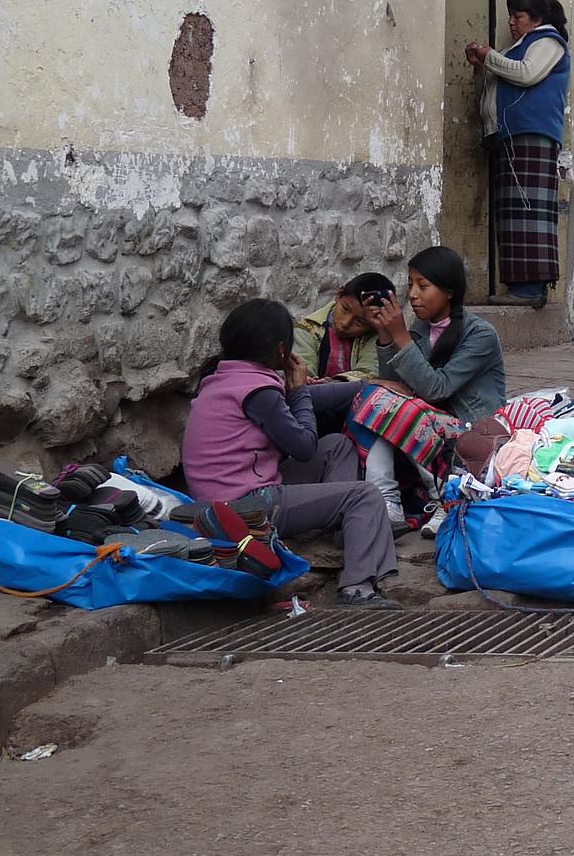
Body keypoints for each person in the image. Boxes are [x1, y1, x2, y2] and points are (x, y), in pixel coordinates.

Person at [181, 299, 400, 608]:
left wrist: (368, 386)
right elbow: (303, 445)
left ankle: (346, 528)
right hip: (248, 507)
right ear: (282, 350)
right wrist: (298, 393)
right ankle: (358, 588)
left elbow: (313, 419)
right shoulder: (258, 391)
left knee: (336, 445)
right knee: (364, 495)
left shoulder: (225, 379)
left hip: (225, 499)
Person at [466, 0, 572, 306]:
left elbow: (526, 74)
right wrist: (482, 65)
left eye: (519, 16)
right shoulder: (518, 47)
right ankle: (519, 286)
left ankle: (530, 289)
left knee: (528, 210)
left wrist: (489, 56)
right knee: (513, 212)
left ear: (537, 19)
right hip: (512, 137)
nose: (512, 22)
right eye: (511, 16)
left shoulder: (548, 42)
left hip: (532, 134)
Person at [366, 246, 507, 423]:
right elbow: (395, 387)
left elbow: (437, 389)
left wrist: (401, 335)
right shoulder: (420, 330)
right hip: (433, 421)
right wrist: (385, 334)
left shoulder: (480, 335)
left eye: (423, 286)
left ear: (449, 292)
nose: (413, 295)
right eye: (410, 285)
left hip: (474, 428)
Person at [294, 273, 393, 383]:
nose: (345, 324)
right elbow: (300, 372)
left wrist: (334, 384)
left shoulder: (375, 336)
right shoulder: (308, 329)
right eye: (345, 309)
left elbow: (371, 372)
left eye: (359, 322)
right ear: (339, 295)